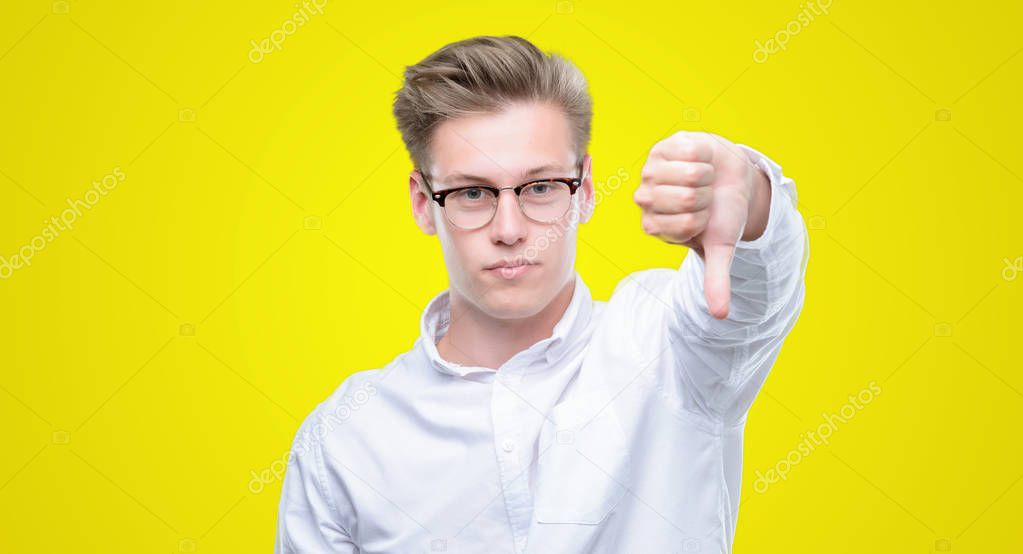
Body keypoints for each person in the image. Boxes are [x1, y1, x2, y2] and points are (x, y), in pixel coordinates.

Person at [276, 35, 808, 553]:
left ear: (588, 189)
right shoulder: (344, 441)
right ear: (423, 203)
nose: (509, 228)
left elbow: (758, 296)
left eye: (541, 187)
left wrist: (753, 199)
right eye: (472, 192)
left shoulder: (668, 349)